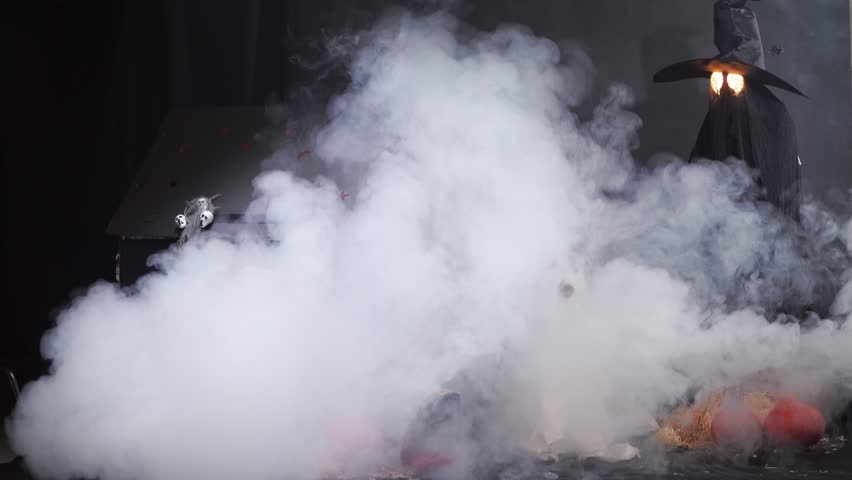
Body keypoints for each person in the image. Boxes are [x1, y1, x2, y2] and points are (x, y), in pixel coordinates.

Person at [653, 0, 805, 221]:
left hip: (767, 230)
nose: (722, 88)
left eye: (733, 80)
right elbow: (698, 170)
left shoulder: (775, 118)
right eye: (716, 79)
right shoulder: (714, 120)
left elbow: (784, 186)